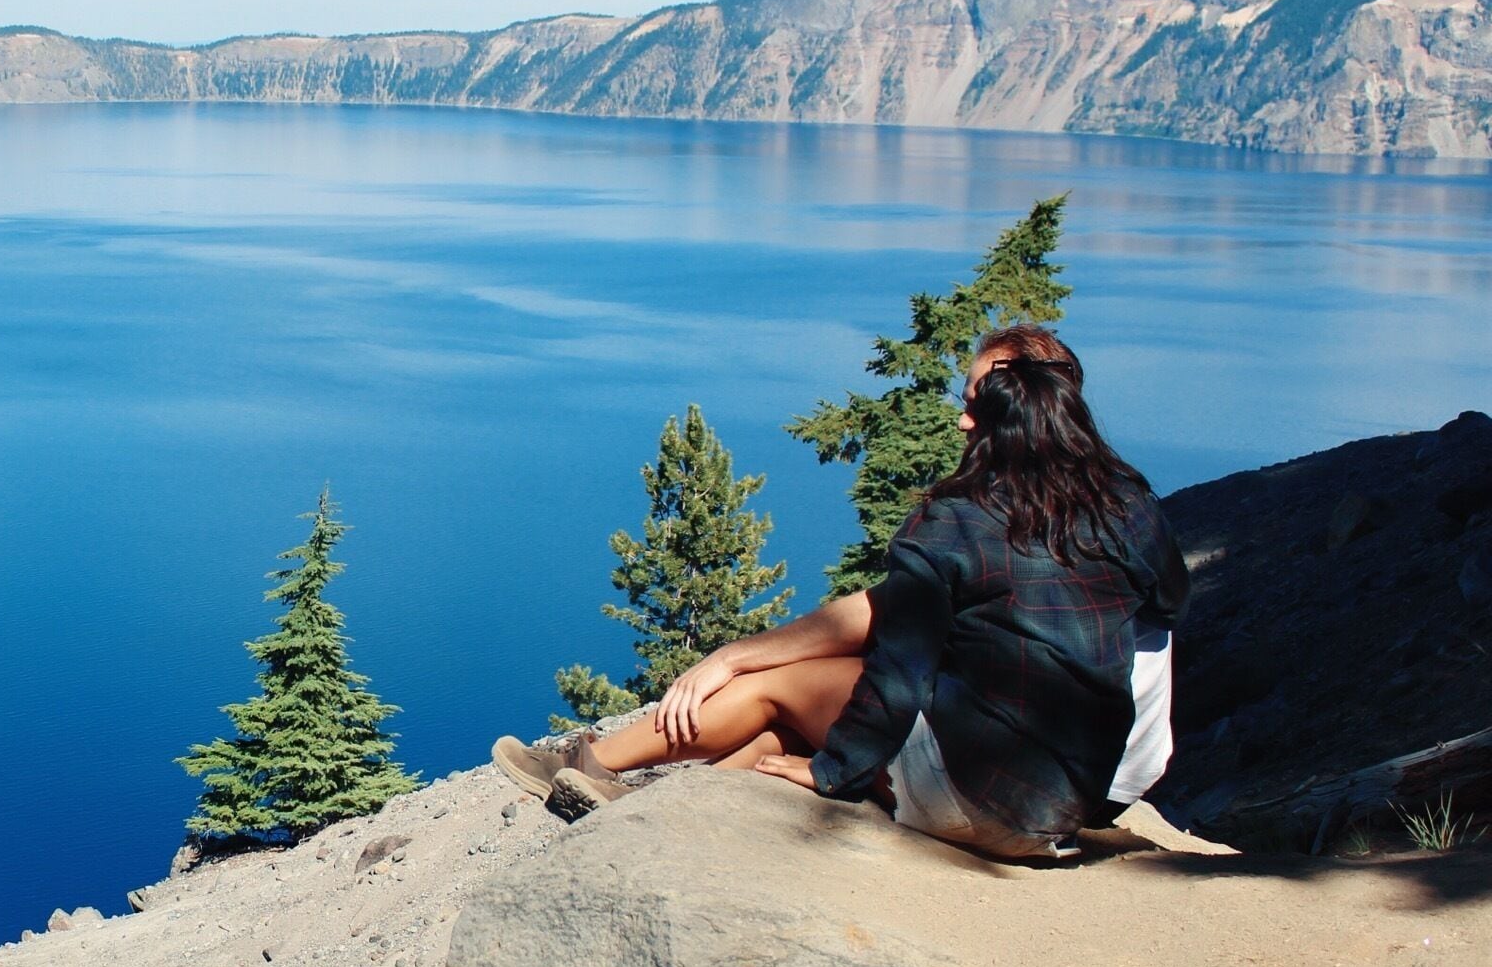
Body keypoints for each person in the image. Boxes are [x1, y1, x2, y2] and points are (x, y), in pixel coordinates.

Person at [492, 325, 1188, 861]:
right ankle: (647, 810)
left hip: (983, 803)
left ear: (1007, 411)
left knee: (783, 689)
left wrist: (832, 773)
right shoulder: (1128, 506)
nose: (961, 421)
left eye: (973, 402)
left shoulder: (956, 520)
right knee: (776, 735)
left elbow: (898, 672)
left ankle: (590, 765)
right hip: (1079, 792)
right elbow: (1160, 614)